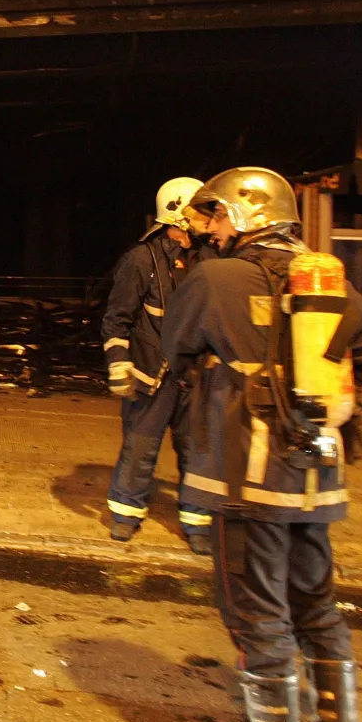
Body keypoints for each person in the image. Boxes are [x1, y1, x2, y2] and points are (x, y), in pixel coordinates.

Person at [163, 167, 362, 722]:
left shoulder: (216, 277)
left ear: (247, 215)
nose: (210, 229)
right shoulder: (323, 281)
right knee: (316, 605)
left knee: (255, 607)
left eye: (217, 216)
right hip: (315, 477)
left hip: (244, 479)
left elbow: (172, 348)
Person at [101, 176, 215, 553]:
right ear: (178, 213)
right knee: (140, 446)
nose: (210, 217)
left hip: (196, 377)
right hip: (152, 375)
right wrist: (119, 363)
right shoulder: (141, 260)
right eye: (203, 210)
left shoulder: (211, 258)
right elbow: (117, 319)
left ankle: (198, 521)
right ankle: (125, 514)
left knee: (198, 448)